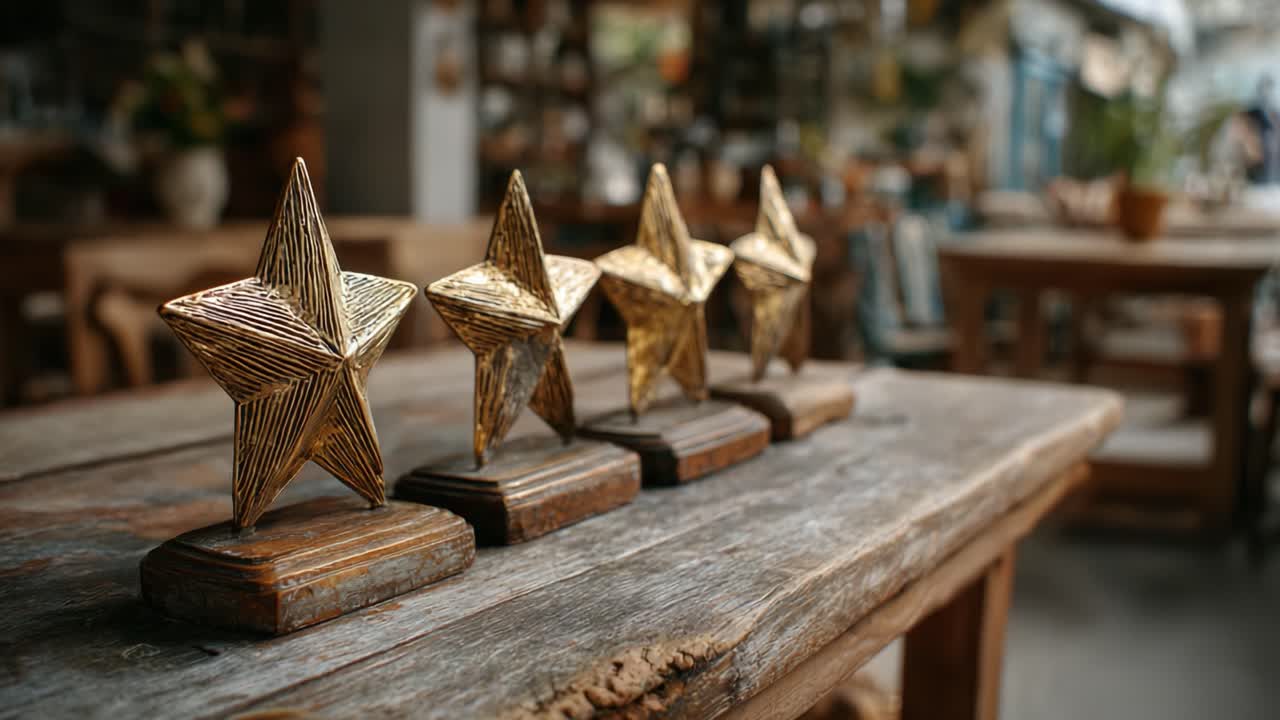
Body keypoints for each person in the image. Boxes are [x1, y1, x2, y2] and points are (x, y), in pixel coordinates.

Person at [1246, 75, 1280, 184]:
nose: (1268, 93)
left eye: (1270, 88)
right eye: (1265, 88)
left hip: (1273, 157)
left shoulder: (1274, 112)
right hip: (1257, 161)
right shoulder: (1252, 112)